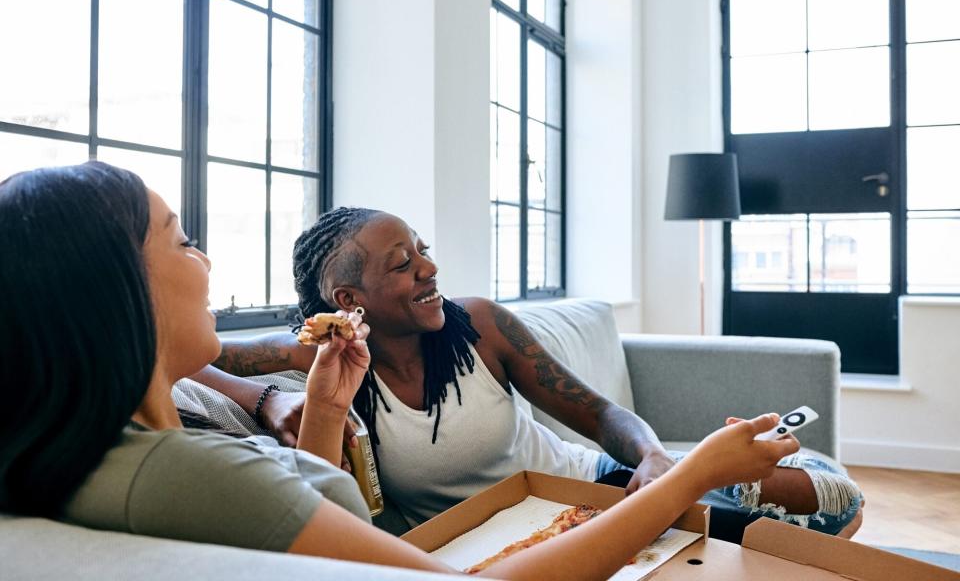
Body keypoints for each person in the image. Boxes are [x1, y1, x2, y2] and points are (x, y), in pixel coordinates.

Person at [0, 162, 805, 580]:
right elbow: (267, 487)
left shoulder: (112, 450)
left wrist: (320, 411)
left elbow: (289, 536)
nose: (205, 259)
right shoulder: (188, 468)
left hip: (576, 489)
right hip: (497, 536)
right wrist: (694, 469)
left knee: (809, 495)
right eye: (181, 241)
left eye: (423, 250)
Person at [205, 207, 863, 541]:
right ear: (349, 302)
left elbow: (601, 413)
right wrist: (262, 399)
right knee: (771, 533)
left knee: (832, 498)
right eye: (403, 263)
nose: (429, 270)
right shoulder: (322, 354)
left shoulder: (481, 324)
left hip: (594, 487)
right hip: (506, 533)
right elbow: (190, 349)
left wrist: (655, 456)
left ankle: (711, 480)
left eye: (424, 252)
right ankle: (721, 491)